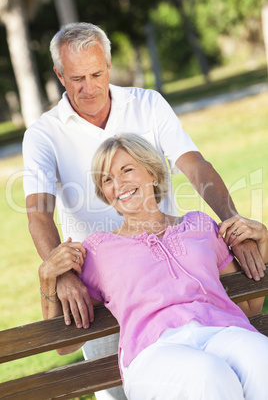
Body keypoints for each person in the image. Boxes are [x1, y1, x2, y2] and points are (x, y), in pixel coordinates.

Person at [23, 22, 265, 399]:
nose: (89, 88)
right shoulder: (44, 134)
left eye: (97, 74)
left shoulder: (147, 104)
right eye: (77, 78)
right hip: (107, 279)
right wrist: (62, 273)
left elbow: (195, 165)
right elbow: (38, 211)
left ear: (108, 63)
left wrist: (233, 221)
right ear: (59, 75)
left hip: (179, 275)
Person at [39, 134, 268, 400]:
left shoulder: (200, 226)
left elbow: (249, 308)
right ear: (105, 194)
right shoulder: (98, 251)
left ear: (152, 173)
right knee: (207, 374)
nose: (119, 184)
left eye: (127, 170)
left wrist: (264, 246)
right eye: (107, 179)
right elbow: (67, 346)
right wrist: (47, 278)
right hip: (154, 352)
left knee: (260, 357)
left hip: (222, 332)